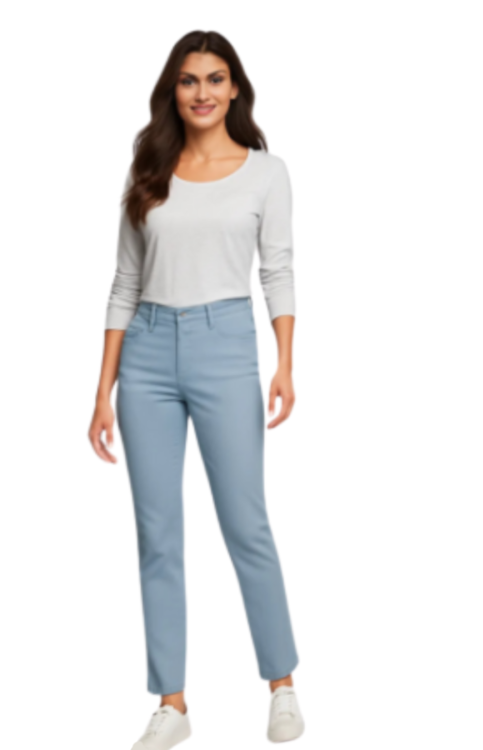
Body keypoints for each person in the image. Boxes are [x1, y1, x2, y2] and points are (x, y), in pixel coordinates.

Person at [88, 30, 304, 749]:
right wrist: (102, 391)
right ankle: (172, 703)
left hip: (225, 347)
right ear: (173, 91)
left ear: (234, 87)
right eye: (189, 80)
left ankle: (281, 686)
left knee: (246, 524)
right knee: (157, 535)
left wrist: (284, 362)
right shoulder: (150, 165)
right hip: (147, 355)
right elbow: (124, 281)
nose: (202, 92)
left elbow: (278, 269)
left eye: (215, 79)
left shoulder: (266, 173)